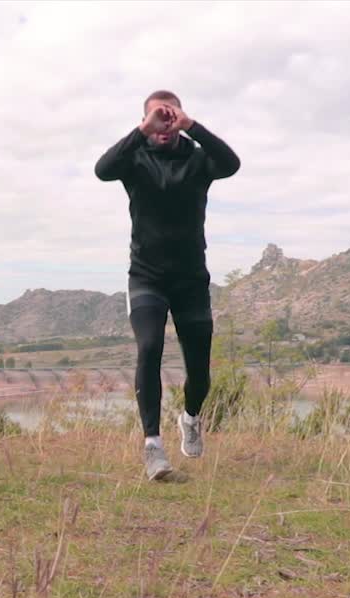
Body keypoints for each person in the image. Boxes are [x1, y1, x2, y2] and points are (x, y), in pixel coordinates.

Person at [95, 90, 240, 480]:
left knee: (199, 370)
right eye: (156, 119)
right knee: (149, 347)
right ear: (145, 122)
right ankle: (153, 448)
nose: (164, 124)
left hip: (191, 279)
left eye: (169, 117)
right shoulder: (134, 160)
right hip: (147, 276)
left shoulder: (197, 158)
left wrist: (191, 125)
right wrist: (141, 130)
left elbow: (231, 163)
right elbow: (102, 169)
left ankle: (190, 417)